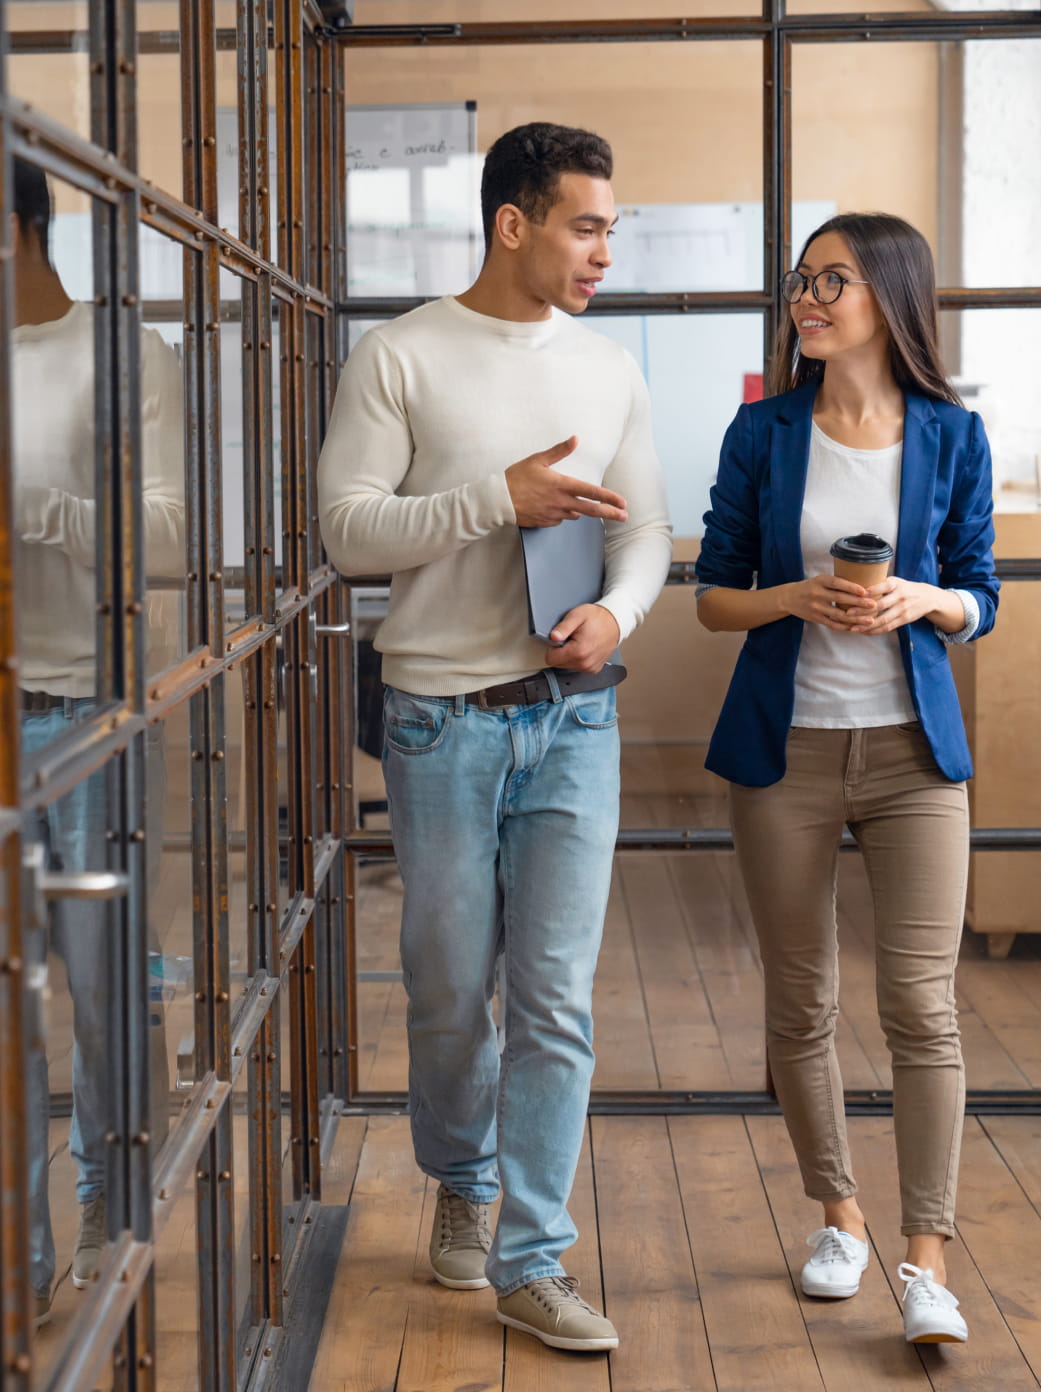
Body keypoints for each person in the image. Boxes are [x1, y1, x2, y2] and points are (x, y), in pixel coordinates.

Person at [318, 122, 671, 1352]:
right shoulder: (401, 356)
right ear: (513, 223)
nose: (603, 252)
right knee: (450, 994)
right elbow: (348, 535)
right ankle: (461, 1185)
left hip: (577, 719)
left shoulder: (610, 367)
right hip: (439, 726)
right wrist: (494, 501)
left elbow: (646, 536)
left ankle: (533, 1256)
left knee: (556, 996)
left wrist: (612, 611)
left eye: (612, 229)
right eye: (585, 225)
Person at [695, 211, 998, 1346]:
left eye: (832, 279)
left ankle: (927, 1260)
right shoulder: (762, 431)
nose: (806, 299)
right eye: (801, 279)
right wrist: (794, 596)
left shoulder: (952, 435)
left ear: (890, 297)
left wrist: (926, 600)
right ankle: (839, 1217)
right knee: (801, 1000)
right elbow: (711, 591)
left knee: (921, 1006)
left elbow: (981, 591)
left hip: (917, 758)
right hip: (788, 754)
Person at [12, 156, 185, 1325]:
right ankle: (20, 1264)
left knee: (106, 998)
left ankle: (111, 1231)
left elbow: (170, 532)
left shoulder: (124, 357)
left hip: (89, 715)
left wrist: (38, 514)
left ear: (21, 229)